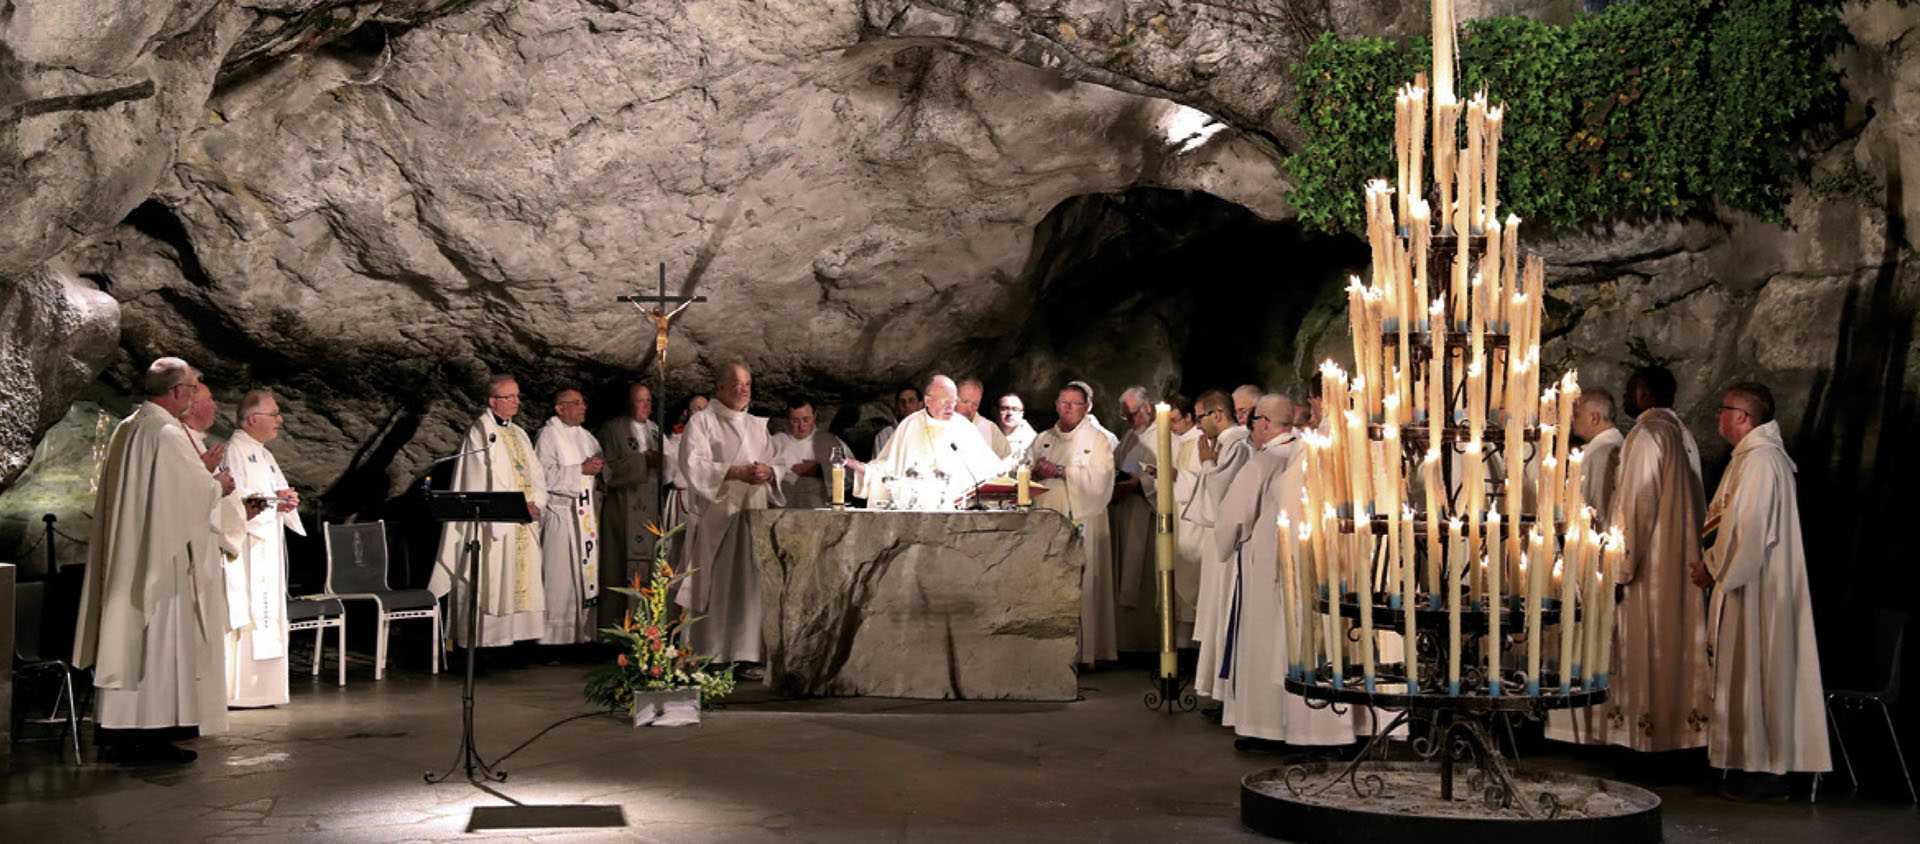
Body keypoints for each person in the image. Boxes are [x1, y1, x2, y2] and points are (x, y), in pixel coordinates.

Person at [74, 358, 244, 764]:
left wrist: (198, 477)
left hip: (138, 551)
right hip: (161, 563)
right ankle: (147, 735)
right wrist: (214, 484)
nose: (197, 393)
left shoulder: (131, 424)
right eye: (194, 386)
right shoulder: (166, 432)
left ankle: (127, 732)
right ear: (178, 393)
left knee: (135, 641)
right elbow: (180, 500)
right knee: (155, 643)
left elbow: (162, 491)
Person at [1691, 383, 1829, 800]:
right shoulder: (1749, 460)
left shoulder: (1762, 463)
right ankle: (1745, 765)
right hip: (1747, 584)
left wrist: (1715, 570)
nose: (1718, 416)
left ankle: (1767, 772)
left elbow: (1750, 533)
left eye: (1723, 409)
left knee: (1758, 673)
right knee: (1746, 674)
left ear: (1743, 417)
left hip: (1758, 590)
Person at [1215, 394, 1348, 748]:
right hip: (1323, 560)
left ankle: (1265, 727)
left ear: (1262, 424)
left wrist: (1226, 547)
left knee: (1266, 644)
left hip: (1275, 566)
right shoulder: (1307, 449)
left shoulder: (1266, 460)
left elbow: (1231, 518)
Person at [1596, 365, 1711, 751]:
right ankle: (1673, 736)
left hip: (1649, 568)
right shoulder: (1679, 433)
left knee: (1642, 652)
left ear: (1646, 394)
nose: (1626, 396)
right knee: (1671, 651)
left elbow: (1636, 505)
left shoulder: (1647, 434)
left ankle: (1644, 743)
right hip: (1678, 557)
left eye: (1631, 389)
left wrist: (1619, 566)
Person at [676, 363, 786, 666]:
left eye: (748, 384)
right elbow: (692, 464)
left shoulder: (756, 425)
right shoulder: (703, 421)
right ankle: (711, 653)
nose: (744, 389)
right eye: (736, 384)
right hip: (719, 516)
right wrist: (734, 472)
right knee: (718, 586)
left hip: (753, 515)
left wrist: (769, 471)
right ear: (720, 387)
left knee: (750, 587)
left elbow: (779, 463)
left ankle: (746, 654)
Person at [429, 374, 548, 649]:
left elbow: (536, 473)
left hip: (522, 521)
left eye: (518, 396)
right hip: (494, 524)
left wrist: (536, 503)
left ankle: (512, 645)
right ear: (493, 402)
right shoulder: (479, 434)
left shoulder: (519, 433)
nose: (517, 402)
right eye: (510, 397)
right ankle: (481, 646)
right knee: (490, 580)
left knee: (517, 583)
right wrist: (517, 506)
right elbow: (479, 479)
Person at [220, 390, 305, 708]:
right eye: (275, 414)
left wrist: (287, 501)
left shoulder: (264, 455)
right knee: (251, 617)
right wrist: (270, 504)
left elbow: (272, 495)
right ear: (253, 419)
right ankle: (242, 693)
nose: (280, 420)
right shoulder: (235, 452)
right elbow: (233, 506)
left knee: (268, 617)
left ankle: (266, 690)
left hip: (267, 550)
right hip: (248, 553)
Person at [1028, 381, 1119, 666]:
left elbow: (1103, 478)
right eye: (1062, 402)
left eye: (1074, 403)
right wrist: (1034, 471)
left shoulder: (1097, 439)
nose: (1067, 408)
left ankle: (1086, 653)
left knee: (1084, 583)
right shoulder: (1044, 438)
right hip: (1047, 519)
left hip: (1083, 519)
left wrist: (1061, 471)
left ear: (1087, 407)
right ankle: (1049, 653)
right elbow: (1024, 471)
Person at [1185, 389, 1255, 702]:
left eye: (1200, 417)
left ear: (1217, 414)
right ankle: (1216, 688)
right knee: (1215, 613)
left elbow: (1223, 499)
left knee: (1224, 612)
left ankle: (1225, 691)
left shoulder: (1238, 444)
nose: (1198, 426)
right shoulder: (1226, 443)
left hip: (1230, 544)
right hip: (1219, 544)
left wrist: (1207, 465)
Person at [859, 375, 1006, 507]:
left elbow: (989, 468)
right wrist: (865, 471)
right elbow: (887, 468)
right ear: (928, 401)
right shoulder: (910, 425)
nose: (951, 407)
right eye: (946, 402)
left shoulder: (965, 427)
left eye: (954, 402)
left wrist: (1004, 468)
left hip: (955, 510)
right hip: (915, 511)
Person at [535, 389, 605, 645]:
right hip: (561, 516)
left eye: (583, 401)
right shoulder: (548, 435)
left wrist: (599, 468)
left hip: (585, 520)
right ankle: (552, 641)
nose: (583, 406)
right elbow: (543, 476)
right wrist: (580, 470)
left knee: (583, 581)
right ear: (559, 408)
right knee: (559, 581)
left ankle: (582, 637)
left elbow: (599, 468)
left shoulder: (587, 437)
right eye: (576, 403)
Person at [596, 383, 663, 629]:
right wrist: (642, 461)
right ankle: (616, 626)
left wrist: (662, 461)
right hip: (623, 506)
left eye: (648, 401)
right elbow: (608, 469)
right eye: (640, 401)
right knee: (618, 563)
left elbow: (670, 468)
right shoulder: (613, 429)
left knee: (650, 564)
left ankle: (648, 628)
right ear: (628, 403)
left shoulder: (656, 431)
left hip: (650, 506)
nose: (645, 406)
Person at [1109, 386, 1159, 651]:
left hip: (1146, 516)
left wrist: (1140, 485)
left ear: (1148, 408)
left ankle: (1147, 645)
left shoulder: (1164, 438)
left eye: (1134, 415)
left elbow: (1166, 475)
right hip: (1125, 513)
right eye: (1125, 417)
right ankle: (1127, 643)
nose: (1131, 421)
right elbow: (1116, 466)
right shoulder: (1130, 437)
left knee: (1144, 580)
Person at [772, 398, 852, 508]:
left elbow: (851, 476)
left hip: (818, 505)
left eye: (806, 419)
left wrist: (819, 470)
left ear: (814, 416)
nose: (801, 426)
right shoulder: (775, 442)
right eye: (795, 421)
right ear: (788, 419)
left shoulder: (829, 441)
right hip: (783, 507)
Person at [1573, 389, 1625, 525]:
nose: (1572, 420)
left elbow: (1599, 506)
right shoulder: (1608, 444)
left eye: (1577, 415)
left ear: (1594, 418)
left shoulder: (1601, 452)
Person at [956, 377, 1012, 460]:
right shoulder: (938, 424)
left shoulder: (989, 429)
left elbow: (1008, 461)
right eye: (965, 402)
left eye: (975, 404)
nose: (969, 409)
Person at [872, 386, 923, 456]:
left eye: (911, 401)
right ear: (897, 407)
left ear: (920, 404)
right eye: (902, 402)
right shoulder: (885, 435)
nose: (906, 405)